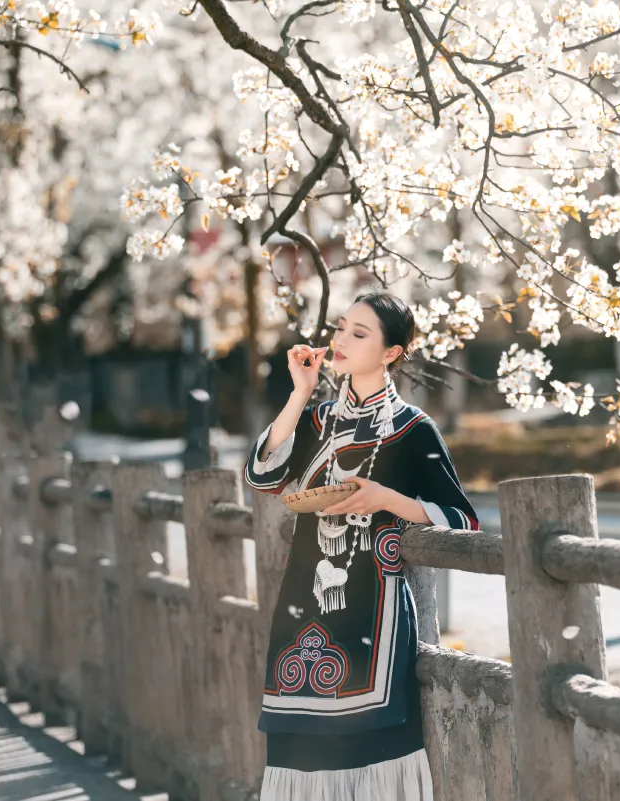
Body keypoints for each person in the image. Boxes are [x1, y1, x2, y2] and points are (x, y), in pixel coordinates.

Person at [244, 291, 478, 800]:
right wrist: (301, 392)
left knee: (374, 766)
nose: (341, 340)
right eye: (341, 328)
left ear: (392, 352)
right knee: (297, 761)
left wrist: (387, 499)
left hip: (374, 618)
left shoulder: (412, 429)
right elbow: (262, 477)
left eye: (359, 332)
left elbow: (462, 520)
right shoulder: (316, 420)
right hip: (303, 614)